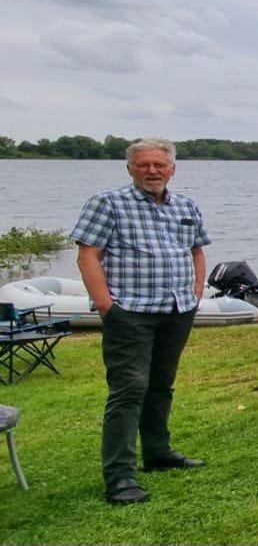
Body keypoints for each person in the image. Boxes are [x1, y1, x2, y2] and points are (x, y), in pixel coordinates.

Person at [72, 139, 211, 505]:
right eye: (144, 165)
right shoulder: (108, 203)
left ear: (172, 169)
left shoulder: (185, 205)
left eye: (159, 165)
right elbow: (88, 255)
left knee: (161, 384)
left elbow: (197, 251)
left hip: (177, 309)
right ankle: (120, 477)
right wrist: (107, 307)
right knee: (129, 389)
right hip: (130, 312)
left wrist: (196, 292)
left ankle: (158, 452)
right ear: (130, 168)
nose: (153, 171)